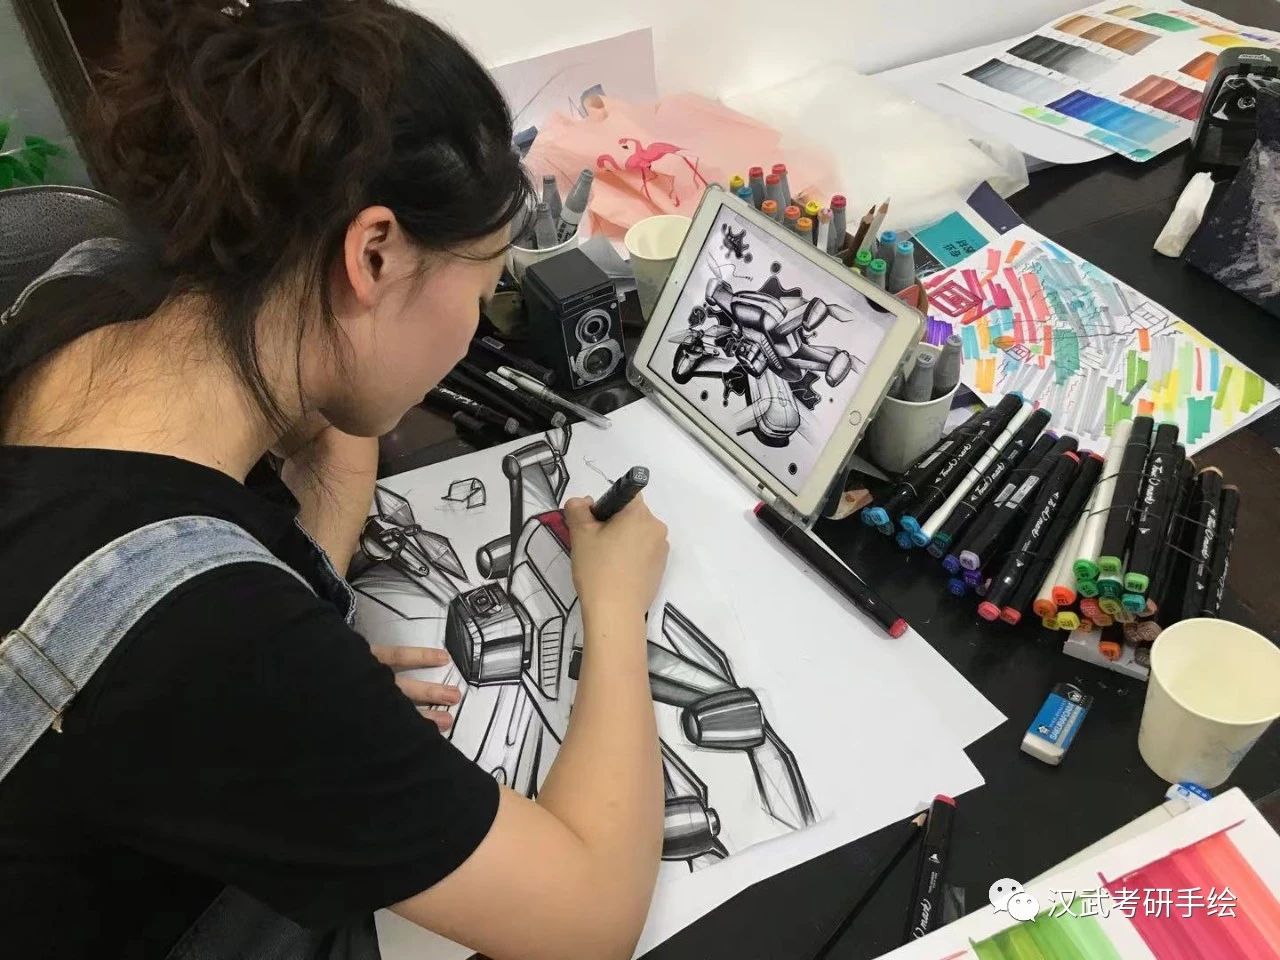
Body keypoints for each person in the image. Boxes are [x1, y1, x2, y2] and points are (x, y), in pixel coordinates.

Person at [0, 2, 668, 959]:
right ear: (374, 253)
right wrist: (611, 603)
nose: (474, 328)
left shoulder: (91, 289)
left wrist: (305, 675)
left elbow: (320, 442)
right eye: (483, 287)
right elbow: (590, 918)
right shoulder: (215, 642)